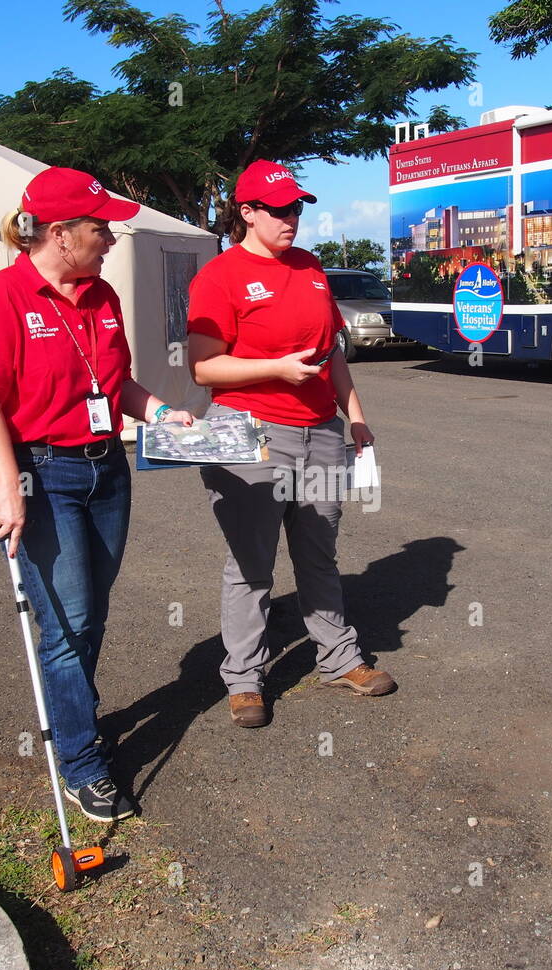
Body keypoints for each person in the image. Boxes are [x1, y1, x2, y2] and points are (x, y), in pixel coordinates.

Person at [0, 167, 193, 820]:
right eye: (101, 228)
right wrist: (8, 487)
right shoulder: (1, 299)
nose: (113, 238)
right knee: (67, 625)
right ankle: (81, 761)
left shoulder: (102, 298)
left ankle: (73, 714)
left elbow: (117, 385)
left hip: (105, 470)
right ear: (60, 235)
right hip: (40, 474)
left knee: (91, 613)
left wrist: (163, 415)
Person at [186, 160, 396, 728]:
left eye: (297, 208)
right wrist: (275, 369)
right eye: (278, 209)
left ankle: (338, 658)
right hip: (250, 434)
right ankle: (245, 679)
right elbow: (204, 368)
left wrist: (354, 418)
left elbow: (333, 356)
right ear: (247, 212)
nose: (291, 219)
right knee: (251, 565)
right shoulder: (220, 277)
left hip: (321, 431)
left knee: (318, 552)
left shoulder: (311, 269)